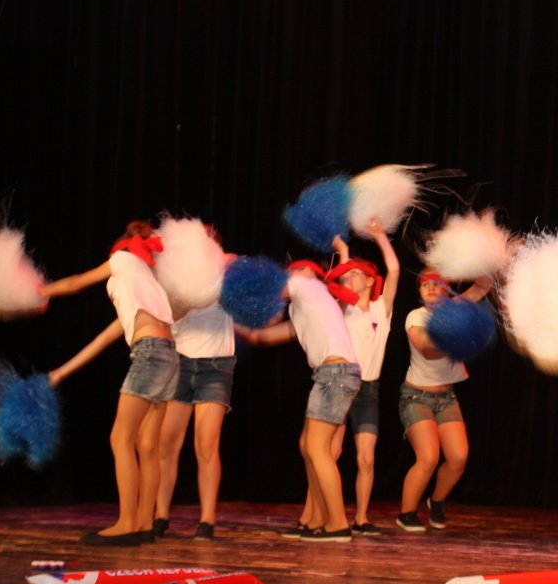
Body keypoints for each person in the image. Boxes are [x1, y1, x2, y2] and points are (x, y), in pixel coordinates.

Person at [41, 221, 179, 546]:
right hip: (169, 355)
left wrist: (41, 291)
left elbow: (76, 283)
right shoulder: (147, 284)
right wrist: (60, 373)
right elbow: (104, 339)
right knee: (147, 445)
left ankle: (127, 523)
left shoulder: (122, 260)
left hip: (149, 354)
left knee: (121, 438)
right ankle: (144, 524)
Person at [238, 258, 361, 542]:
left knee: (318, 449)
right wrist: (231, 324)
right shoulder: (304, 306)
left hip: (335, 373)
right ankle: (316, 518)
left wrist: (237, 289)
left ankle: (338, 524)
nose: (286, 274)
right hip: (331, 374)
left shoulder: (310, 287)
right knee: (309, 446)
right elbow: (263, 337)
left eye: (291, 270)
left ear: (306, 272)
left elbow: (274, 290)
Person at [394, 268, 492, 532]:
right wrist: (461, 337)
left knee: (458, 458)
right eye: (425, 284)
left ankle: (435, 501)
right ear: (419, 291)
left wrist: (484, 261)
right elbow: (428, 350)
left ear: (447, 291)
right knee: (428, 457)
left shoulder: (456, 310)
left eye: (437, 283)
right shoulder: (417, 316)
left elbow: (483, 285)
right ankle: (406, 514)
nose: (430, 287)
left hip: (446, 397)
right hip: (416, 397)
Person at [328, 220, 400, 536]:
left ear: (371, 281)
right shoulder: (343, 307)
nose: (351, 276)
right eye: (350, 273)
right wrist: (343, 251)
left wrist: (381, 236)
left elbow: (394, 269)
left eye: (358, 273)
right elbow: (341, 278)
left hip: (368, 390)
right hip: (341, 386)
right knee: (331, 453)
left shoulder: (381, 310)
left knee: (366, 458)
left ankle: (361, 518)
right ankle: (328, 514)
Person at [154, 300, 236, 541]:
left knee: (206, 445)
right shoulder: (173, 279)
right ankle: (160, 516)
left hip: (216, 363)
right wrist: (192, 298)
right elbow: (167, 314)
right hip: (179, 359)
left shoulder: (224, 276)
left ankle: (207, 520)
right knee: (166, 444)